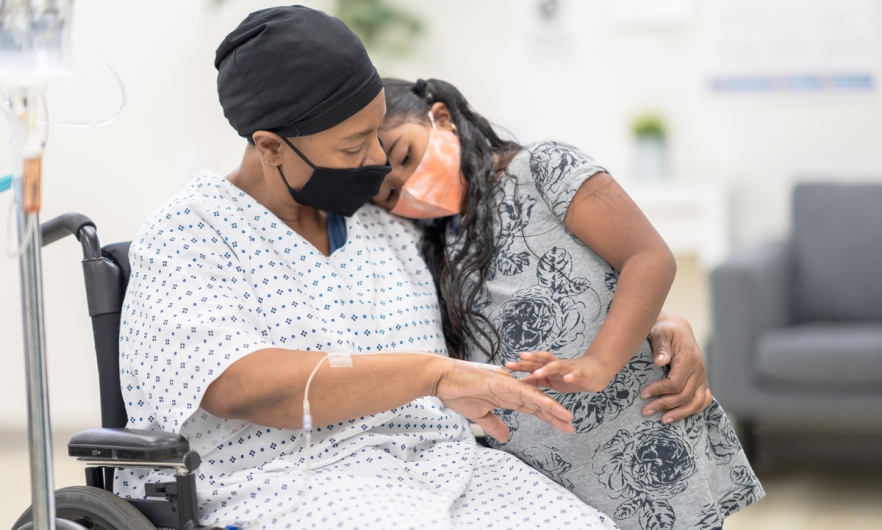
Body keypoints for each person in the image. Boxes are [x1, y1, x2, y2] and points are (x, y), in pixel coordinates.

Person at [115, 7, 620, 529]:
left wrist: (649, 320)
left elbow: (508, 283)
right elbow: (239, 385)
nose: (374, 159)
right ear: (270, 147)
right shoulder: (188, 234)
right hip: (288, 483)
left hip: (446, 467)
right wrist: (431, 375)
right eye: (354, 146)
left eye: (376, 133)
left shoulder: (383, 223)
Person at [372, 78, 765, 529]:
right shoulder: (434, 243)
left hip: (639, 430)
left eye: (406, 156)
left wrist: (599, 362)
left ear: (440, 118)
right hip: (545, 474)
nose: (411, 189)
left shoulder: (542, 167)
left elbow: (648, 258)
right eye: (390, 195)